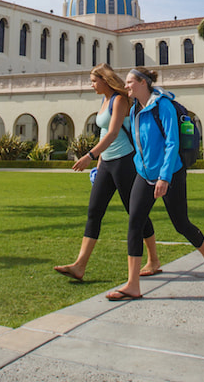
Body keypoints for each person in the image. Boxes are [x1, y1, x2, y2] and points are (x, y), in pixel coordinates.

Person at [106, 67, 204, 301]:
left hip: (171, 174)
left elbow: (172, 144)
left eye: (129, 82)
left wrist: (165, 178)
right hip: (144, 174)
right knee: (134, 224)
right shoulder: (136, 107)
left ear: (142, 83)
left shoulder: (163, 106)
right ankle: (133, 285)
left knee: (181, 224)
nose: (126, 86)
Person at [54, 64, 161, 282]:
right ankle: (80, 265)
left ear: (105, 79)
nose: (92, 85)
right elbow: (104, 132)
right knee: (94, 212)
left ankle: (154, 260)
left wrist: (89, 156)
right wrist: (100, 163)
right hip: (107, 164)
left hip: (124, 162)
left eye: (94, 81)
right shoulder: (103, 101)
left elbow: (113, 133)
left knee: (135, 212)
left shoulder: (119, 100)